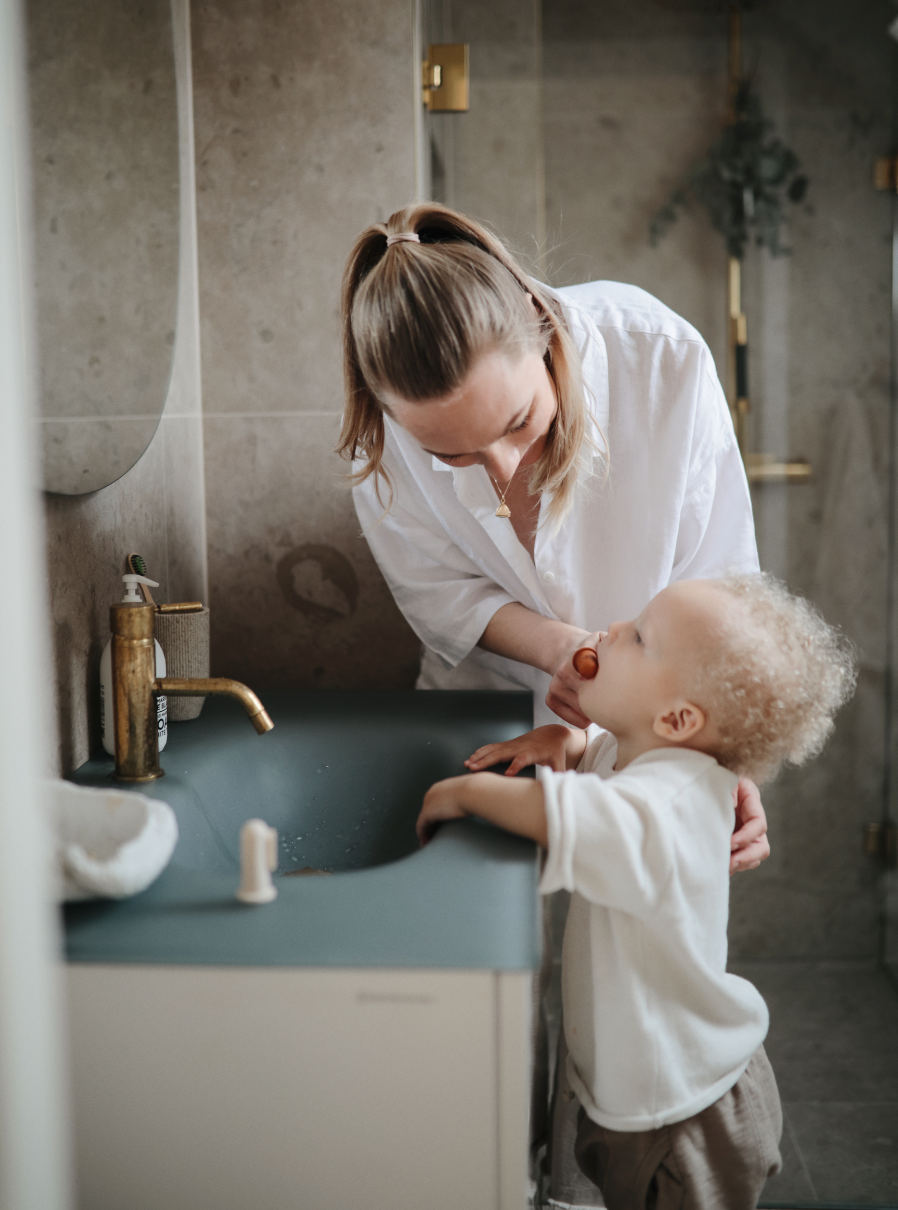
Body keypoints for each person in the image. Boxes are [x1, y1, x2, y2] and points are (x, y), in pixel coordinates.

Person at [338, 201, 767, 872]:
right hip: (480, 721)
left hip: (657, 736)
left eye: (518, 422)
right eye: (451, 455)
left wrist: (721, 753)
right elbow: (438, 593)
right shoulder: (382, 438)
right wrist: (559, 650)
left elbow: (723, 591)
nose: (504, 471)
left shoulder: (662, 362)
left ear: (540, 327)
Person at [416, 573, 857, 1210]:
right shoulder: (649, 753)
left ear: (678, 717)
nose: (614, 629)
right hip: (656, 1094)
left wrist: (463, 792)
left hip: (681, 1121)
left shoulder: (668, 803)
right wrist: (564, 738)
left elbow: (584, 817)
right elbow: (603, 758)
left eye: (640, 637)